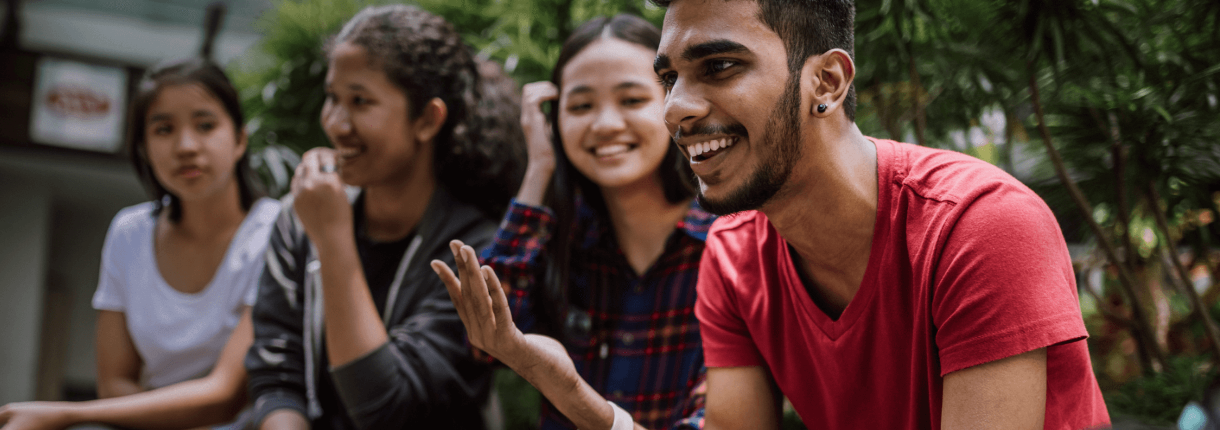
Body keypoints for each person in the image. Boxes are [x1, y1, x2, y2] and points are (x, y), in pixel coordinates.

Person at [645, 0, 1111, 429]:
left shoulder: (981, 226)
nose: (674, 109)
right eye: (669, 79)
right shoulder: (734, 256)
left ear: (827, 81)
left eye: (719, 66)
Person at [243, 5, 524, 430]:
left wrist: (333, 241)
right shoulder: (299, 217)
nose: (336, 124)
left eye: (360, 101)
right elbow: (277, 377)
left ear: (427, 119)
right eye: (332, 97)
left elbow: (386, 409)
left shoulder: (475, 252)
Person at [431, 14, 713, 430]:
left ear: (675, 104)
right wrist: (539, 169)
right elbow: (484, 344)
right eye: (581, 106)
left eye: (632, 100)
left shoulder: (729, 247)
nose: (605, 124)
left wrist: (571, 393)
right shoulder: (563, 237)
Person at [0, 58, 281, 430]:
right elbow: (114, 382)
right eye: (164, 129)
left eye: (205, 125)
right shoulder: (129, 232)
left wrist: (64, 413)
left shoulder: (276, 231)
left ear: (240, 139)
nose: (186, 146)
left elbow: (225, 396)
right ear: (144, 147)